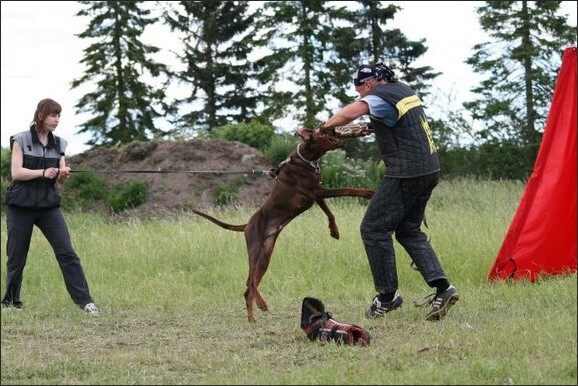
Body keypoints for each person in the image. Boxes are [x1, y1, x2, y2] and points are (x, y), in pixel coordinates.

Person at [319, 63, 459, 321]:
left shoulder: (378, 96)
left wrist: (324, 128)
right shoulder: (402, 90)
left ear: (370, 83)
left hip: (407, 173)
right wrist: (369, 128)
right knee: (408, 230)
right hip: (429, 169)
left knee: (373, 229)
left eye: (358, 87)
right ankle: (443, 289)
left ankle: (387, 297)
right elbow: (397, 124)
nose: (359, 93)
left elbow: (353, 111)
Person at [2, 98, 98, 314]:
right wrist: (43, 172)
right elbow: (16, 173)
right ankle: (10, 303)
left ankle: (85, 302)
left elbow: (59, 182)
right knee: (17, 256)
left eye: (59, 116)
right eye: (53, 116)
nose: (57, 120)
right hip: (21, 206)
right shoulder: (21, 140)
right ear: (40, 116)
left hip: (48, 206)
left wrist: (63, 175)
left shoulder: (60, 144)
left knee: (67, 253)